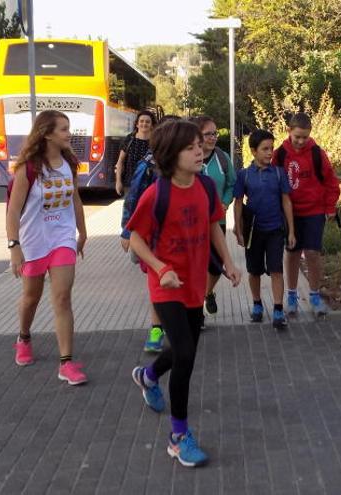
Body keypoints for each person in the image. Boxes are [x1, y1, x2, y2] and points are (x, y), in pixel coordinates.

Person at [126, 119, 242, 467]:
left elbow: (213, 226)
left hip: (193, 282)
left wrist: (228, 262)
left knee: (181, 350)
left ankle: (147, 376)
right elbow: (136, 239)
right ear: (171, 155)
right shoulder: (156, 193)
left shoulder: (205, 187)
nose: (199, 151)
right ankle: (178, 437)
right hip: (166, 286)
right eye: (191, 147)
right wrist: (160, 268)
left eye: (199, 145)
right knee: (186, 354)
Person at [6, 110, 88, 385]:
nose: (69, 133)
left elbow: (75, 198)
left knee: (63, 298)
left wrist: (82, 231)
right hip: (33, 241)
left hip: (62, 238)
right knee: (31, 296)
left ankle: (66, 362)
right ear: (47, 133)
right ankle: (24, 336)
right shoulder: (28, 168)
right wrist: (14, 246)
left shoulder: (68, 163)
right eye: (63, 129)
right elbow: (13, 211)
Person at [119, 115, 181, 353]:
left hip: (181, 237)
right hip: (153, 238)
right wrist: (127, 231)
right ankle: (156, 328)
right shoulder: (148, 165)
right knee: (158, 280)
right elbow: (132, 198)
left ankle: (176, 323)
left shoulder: (188, 163)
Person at [272, 112, 340, 317]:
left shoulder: (317, 153)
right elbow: (273, 181)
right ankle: (291, 295)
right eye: (297, 137)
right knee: (292, 252)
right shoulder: (280, 155)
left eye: (305, 137)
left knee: (312, 253)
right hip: (290, 212)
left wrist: (330, 206)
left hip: (314, 211)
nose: (301, 141)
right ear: (289, 132)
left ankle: (314, 294)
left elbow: (331, 182)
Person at [233, 129, 295, 330]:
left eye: (271, 148)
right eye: (265, 149)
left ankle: (278, 309)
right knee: (254, 271)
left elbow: (286, 201)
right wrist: (238, 229)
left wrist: (291, 230)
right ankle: (257, 304)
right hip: (254, 232)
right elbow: (238, 203)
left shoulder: (278, 173)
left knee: (276, 269)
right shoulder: (244, 175)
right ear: (253, 151)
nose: (270, 153)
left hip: (275, 229)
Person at [191, 116, 236, 317]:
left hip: (217, 221)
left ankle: (207, 293)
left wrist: (225, 202)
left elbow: (231, 184)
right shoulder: (190, 157)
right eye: (208, 133)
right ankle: (196, 307)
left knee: (216, 266)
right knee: (196, 265)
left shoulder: (223, 157)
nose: (213, 137)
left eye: (215, 133)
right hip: (193, 223)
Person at [114, 109, 156, 196]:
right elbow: (120, 162)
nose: (144, 124)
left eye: (148, 122)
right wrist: (118, 182)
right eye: (142, 121)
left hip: (151, 186)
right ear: (137, 124)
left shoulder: (156, 142)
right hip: (130, 185)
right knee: (131, 209)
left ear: (152, 125)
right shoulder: (129, 139)